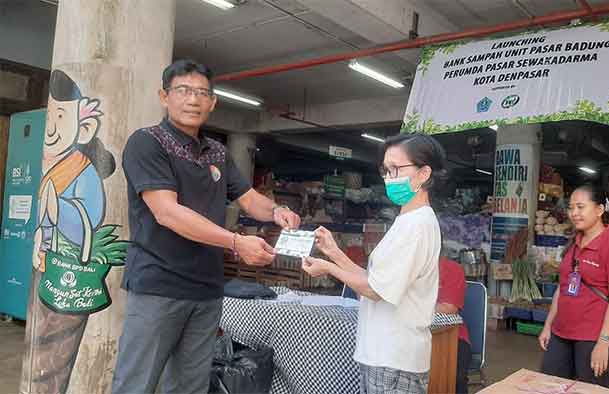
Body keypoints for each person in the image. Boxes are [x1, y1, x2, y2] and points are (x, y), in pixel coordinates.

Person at [112, 59, 301, 394]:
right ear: (164, 96)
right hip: (159, 285)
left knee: (190, 385)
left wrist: (277, 211)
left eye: (202, 93)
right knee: (136, 383)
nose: (193, 99)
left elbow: (249, 198)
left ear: (213, 103)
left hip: (207, 289)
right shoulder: (147, 143)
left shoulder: (217, 152)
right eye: (183, 91)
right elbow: (167, 213)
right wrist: (235, 242)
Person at [302, 134, 447, 394]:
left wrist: (330, 269)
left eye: (395, 170)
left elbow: (375, 291)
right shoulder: (407, 221)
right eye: (385, 170)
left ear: (424, 173)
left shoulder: (417, 225)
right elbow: (374, 279)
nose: (388, 178)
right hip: (383, 352)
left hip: (394, 356)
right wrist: (334, 252)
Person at [539, 184, 609, 388]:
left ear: (599, 210)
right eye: (571, 208)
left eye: (580, 207)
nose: (574, 213)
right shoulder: (574, 243)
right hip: (562, 333)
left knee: (589, 390)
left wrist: (604, 343)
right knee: (549, 385)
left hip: (594, 336)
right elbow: (562, 288)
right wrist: (548, 325)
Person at [436, 254, 472, 394]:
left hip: (453, 337)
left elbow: (449, 308)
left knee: (455, 378)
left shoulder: (451, 269)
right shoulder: (404, 268)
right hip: (412, 335)